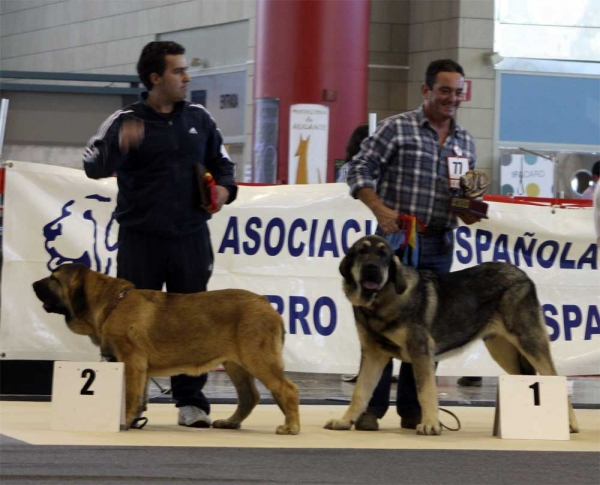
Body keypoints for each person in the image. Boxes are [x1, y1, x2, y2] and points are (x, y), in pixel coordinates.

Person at [83, 41, 238, 428]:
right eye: (178, 71)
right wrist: (119, 146)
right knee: (129, 325)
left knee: (193, 321)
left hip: (190, 237)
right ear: (155, 78)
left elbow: (224, 165)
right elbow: (91, 165)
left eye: (186, 70)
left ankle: (192, 403)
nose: (186, 78)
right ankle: (128, 404)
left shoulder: (200, 118)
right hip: (141, 238)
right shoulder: (124, 118)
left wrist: (223, 189)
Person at [346, 58, 480, 431]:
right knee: (379, 323)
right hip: (394, 245)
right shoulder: (396, 129)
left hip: (440, 243)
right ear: (426, 90)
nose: (451, 98)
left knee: (424, 331)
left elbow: (464, 194)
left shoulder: (466, 140)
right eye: (444, 90)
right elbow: (357, 169)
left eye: (457, 92)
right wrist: (379, 207)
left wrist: (468, 211)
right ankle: (370, 409)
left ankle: (415, 409)